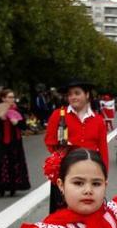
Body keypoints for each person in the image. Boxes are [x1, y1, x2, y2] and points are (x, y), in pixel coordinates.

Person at [44, 79, 109, 212]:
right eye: (70, 94)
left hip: (90, 172)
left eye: (77, 93)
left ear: (87, 95)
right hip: (67, 171)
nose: (73, 97)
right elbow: (49, 141)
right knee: (62, 211)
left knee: (88, 210)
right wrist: (63, 148)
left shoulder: (98, 120)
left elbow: (103, 149)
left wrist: (104, 175)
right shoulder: (58, 115)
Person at [0, 89, 31, 197]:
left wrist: (17, 122)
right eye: (9, 97)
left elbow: (24, 126)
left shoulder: (18, 110)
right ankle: (0, 187)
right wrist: (0, 119)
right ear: (3, 98)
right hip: (3, 141)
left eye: (12, 97)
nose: (12, 99)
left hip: (16, 141)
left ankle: (13, 187)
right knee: (1, 162)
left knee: (14, 162)